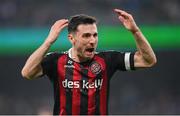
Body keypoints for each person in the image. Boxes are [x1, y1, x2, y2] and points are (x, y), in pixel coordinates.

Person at [21, 9, 157, 115]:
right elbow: (27, 73)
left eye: (95, 35)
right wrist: (48, 42)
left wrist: (135, 31)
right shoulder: (56, 61)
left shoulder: (107, 60)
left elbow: (148, 60)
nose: (92, 40)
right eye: (86, 36)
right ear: (71, 39)